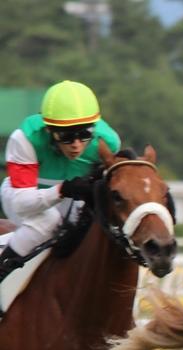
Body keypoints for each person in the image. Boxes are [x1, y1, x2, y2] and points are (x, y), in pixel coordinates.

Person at [0, 80, 121, 283]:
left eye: (85, 135)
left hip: (71, 199)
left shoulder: (108, 142)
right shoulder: (25, 139)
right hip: (21, 196)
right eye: (66, 136)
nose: (76, 145)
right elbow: (22, 203)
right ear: (49, 130)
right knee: (48, 222)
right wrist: (62, 190)